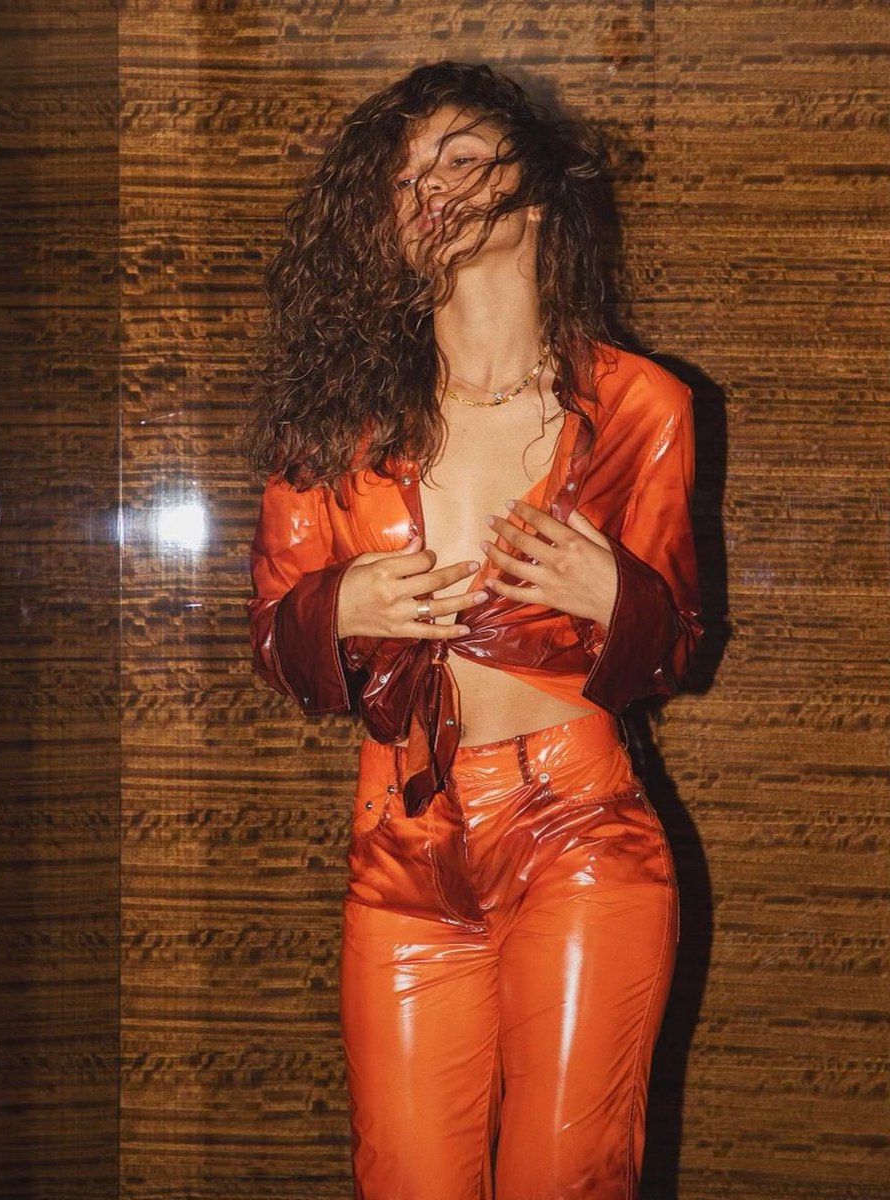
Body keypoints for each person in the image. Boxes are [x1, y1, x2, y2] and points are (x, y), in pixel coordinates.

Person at [245, 60, 701, 1200]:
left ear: (534, 193)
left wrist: (621, 600)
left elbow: (679, 645)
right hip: (401, 845)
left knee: (569, 1176)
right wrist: (337, 608)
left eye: (459, 159)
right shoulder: (336, 421)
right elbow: (272, 637)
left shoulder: (640, 406)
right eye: (403, 177)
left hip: (581, 830)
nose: (428, 190)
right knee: (402, 1178)